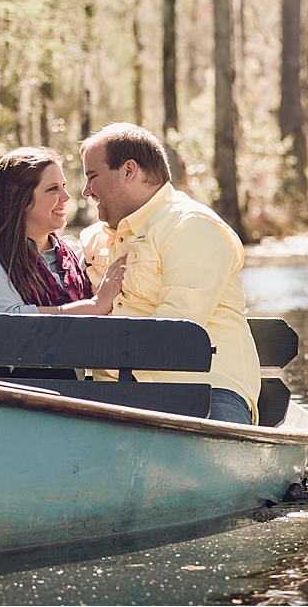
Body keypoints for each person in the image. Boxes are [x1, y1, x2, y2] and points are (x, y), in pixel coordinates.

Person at [78, 123, 260, 424]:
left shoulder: (191, 227)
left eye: (92, 176)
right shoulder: (94, 241)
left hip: (202, 389)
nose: (86, 191)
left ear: (128, 171)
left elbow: (177, 331)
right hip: (113, 398)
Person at [0, 146, 125, 316]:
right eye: (53, 189)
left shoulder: (73, 255)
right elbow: (9, 320)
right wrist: (96, 306)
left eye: (64, 185)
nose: (66, 196)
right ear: (21, 199)